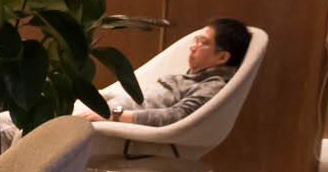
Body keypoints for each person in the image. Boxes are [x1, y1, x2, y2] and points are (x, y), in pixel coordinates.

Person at [84, 18, 248, 126]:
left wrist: (114, 116)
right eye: (195, 41)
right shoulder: (187, 78)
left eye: (202, 43)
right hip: (100, 114)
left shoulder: (211, 86)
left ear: (222, 57)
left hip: (111, 124)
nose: (192, 47)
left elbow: (177, 118)